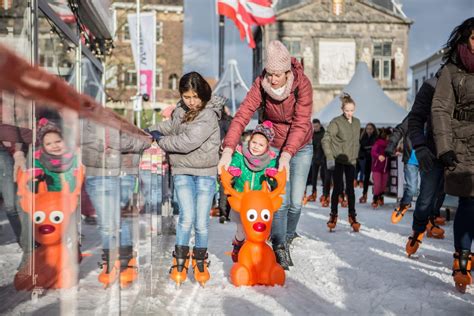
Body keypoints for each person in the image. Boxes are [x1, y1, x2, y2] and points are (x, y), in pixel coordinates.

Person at [218, 40, 313, 270]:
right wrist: (229, 149)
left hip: (300, 146)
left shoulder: (302, 84)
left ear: (287, 71)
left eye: (277, 75)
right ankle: (280, 245)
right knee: (278, 200)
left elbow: (301, 123)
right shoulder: (261, 85)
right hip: (273, 145)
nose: (273, 79)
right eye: (269, 74)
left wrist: (288, 154)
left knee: (295, 202)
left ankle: (288, 235)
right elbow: (241, 116)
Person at [148, 72, 223, 286]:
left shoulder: (208, 114)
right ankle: (179, 260)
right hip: (182, 170)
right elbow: (171, 127)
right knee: (186, 218)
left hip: (205, 174)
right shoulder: (181, 109)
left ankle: (200, 260)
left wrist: (161, 142)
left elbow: (187, 142)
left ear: (203, 94)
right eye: (186, 96)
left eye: (194, 97)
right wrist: (151, 130)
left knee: (200, 222)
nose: (191, 102)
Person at [431, 17, 474, 293]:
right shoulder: (452, 69)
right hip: (460, 141)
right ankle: (461, 256)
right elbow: (440, 109)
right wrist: (444, 147)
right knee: (469, 201)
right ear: (466, 39)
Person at [82, 119, 150, 287]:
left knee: (124, 218)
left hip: (125, 173)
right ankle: (111, 261)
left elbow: (145, 141)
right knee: (107, 223)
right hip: (98, 174)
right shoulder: (85, 126)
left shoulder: (126, 128)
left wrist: (113, 144)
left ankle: (127, 261)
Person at [226, 120, 278, 264]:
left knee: (255, 230)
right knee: (242, 230)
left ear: (267, 147)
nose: (256, 147)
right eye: (254, 142)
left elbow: (273, 175)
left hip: (258, 202)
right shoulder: (241, 154)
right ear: (250, 140)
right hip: (241, 196)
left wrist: (271, 173)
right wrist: (234, 168)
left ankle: (252, 255)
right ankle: (238, 243)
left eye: (261, 145)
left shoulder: (270, 159)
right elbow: (235, 162)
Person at [322, 93, 361, 232]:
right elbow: (326, 139)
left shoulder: (357, 123)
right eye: (346, 110)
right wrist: (329, 157)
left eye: (351, 110)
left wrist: (358, 158)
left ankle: (352, 215)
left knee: (350, 189)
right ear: (342, 109)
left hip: (351, 161)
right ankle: (333, 214)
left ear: (354, 109)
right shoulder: (336, 122)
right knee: (338, 188)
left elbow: (355, 142)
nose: (349, 113)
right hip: (338, 160)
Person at [303, 119, 326, 205]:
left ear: (320, 125)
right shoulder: (311, 135)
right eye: (314, 126)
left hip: (323, 159)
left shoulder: (324, 134)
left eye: (316, 126)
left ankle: (324, 194)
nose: (315, 128)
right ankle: (313, 193)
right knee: (314, 177)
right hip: (314, 159)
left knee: (324, 177)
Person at [370, 128, 392, 208]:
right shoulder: (378, 143)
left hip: (386, 168)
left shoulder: (390, 144)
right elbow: (373, 152)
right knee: (378, 184)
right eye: (389, 136)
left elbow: (391, 152)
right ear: (385, 136)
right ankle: (375, 198)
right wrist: (378, 156)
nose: (390, 137)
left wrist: (396, 152)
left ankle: (380, 196)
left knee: (383, 185)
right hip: (377, 168)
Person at [358, 123, 377, 203]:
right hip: (366, 160)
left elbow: (376, 147)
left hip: (375, 160)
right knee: (366, 178)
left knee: (375, 178)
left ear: (374, 129)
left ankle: (377, 195)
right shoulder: (363, 137)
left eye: (370, 129)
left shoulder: (376, 137)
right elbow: (361, 148)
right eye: (367, 129)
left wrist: (369, 149)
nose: (369, 130)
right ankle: (364, 194)